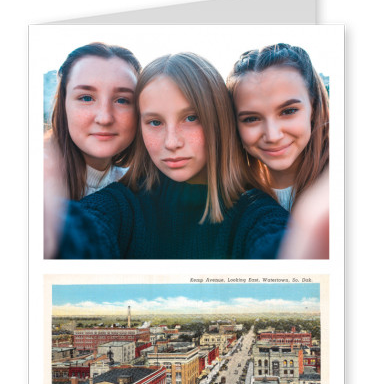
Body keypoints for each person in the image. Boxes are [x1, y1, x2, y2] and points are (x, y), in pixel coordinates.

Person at [47, 52, 289, 259]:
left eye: (191, 118)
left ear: (219, 120)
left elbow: (280, 246)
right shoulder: (122, 204)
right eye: (155, 122)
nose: (171, 142)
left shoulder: (257, 214)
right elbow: (84, 230)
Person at [227, 43, 329, 212]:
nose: (273, 135)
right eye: (251, 118)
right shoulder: (232, 200)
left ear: (314, 107)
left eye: (288, 111)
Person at [47, 42, 141, 200]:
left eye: (122, 100)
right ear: (64, 105)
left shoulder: (141, 189)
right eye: (86, 98)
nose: (104, 118)